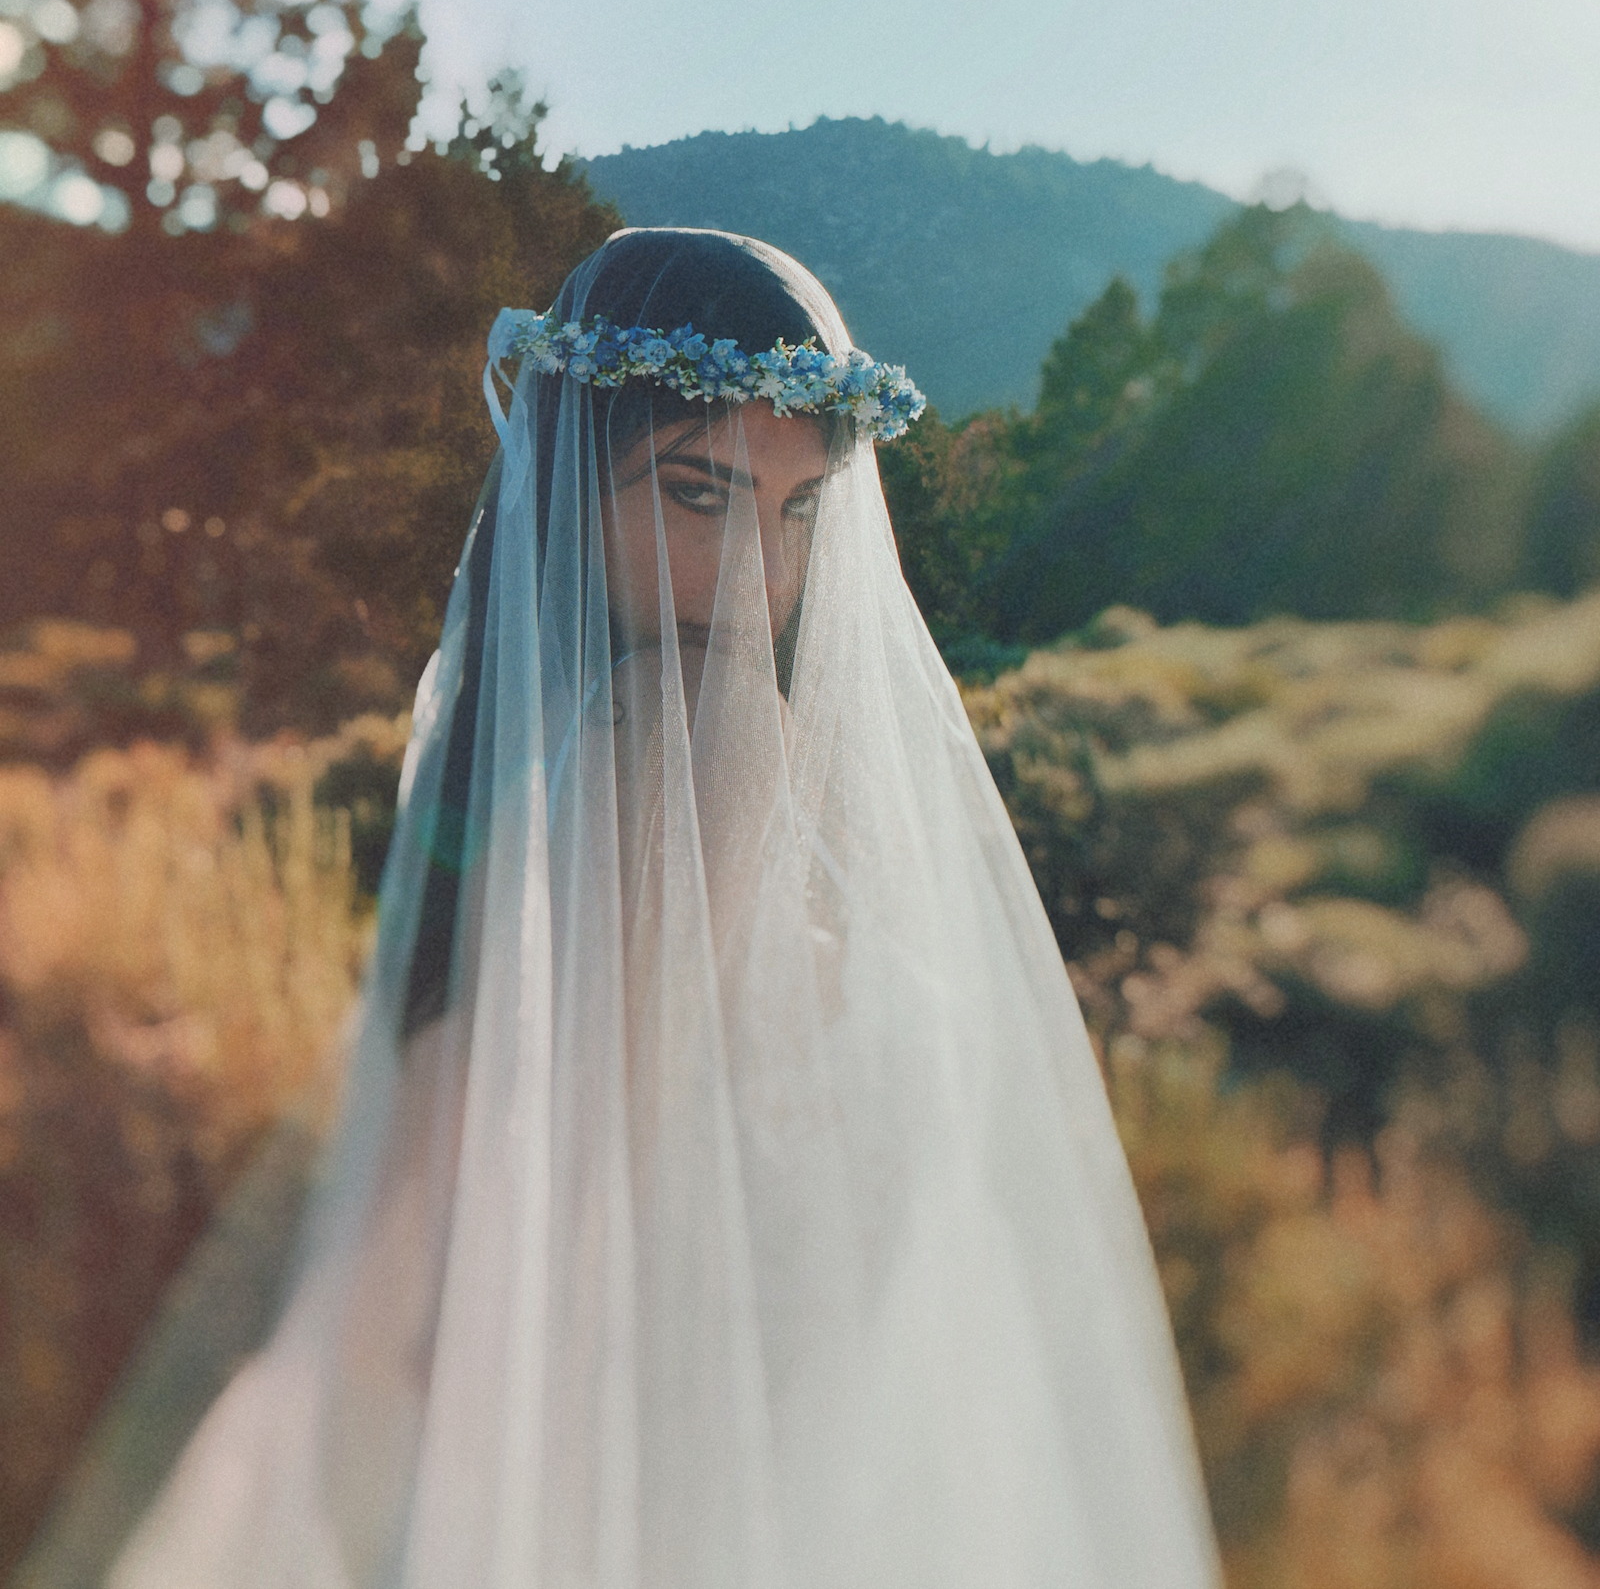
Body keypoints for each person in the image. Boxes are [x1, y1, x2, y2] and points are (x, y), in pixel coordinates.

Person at [105, 228, 1219, 1589]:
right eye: (700, 492)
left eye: (800, 510)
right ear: (575, 487)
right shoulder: (658, 747)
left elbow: (427, 1263)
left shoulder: (585, 748)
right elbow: (559, 1250)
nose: (759, 569)